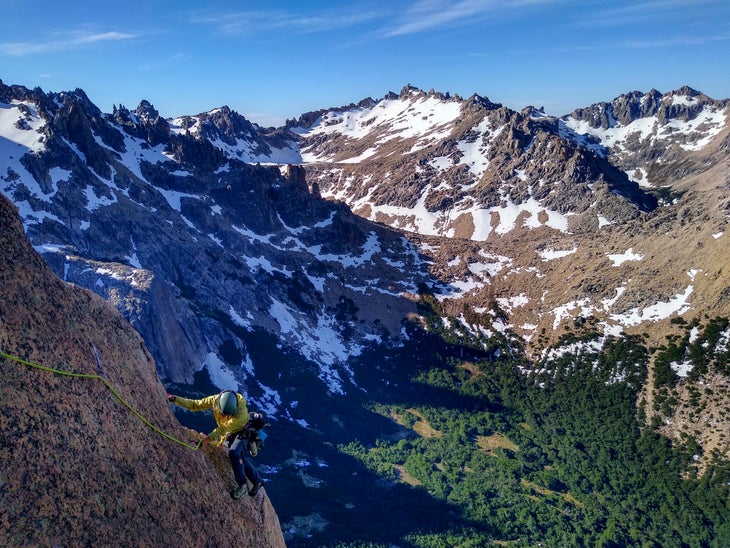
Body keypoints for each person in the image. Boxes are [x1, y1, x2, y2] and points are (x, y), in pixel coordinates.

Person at [167, 389, 264, 499]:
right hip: (232, 432)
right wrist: (174, 398)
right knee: (239, 458)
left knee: (233, 453)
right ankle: (257, 481)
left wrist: (202, 443)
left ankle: (242, 484)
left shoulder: (240, 415)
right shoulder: (215, 400)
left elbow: (221, 430)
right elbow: (195, 405)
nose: (224, 417)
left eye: (228, 415)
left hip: (244, 432)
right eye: (223, 414)